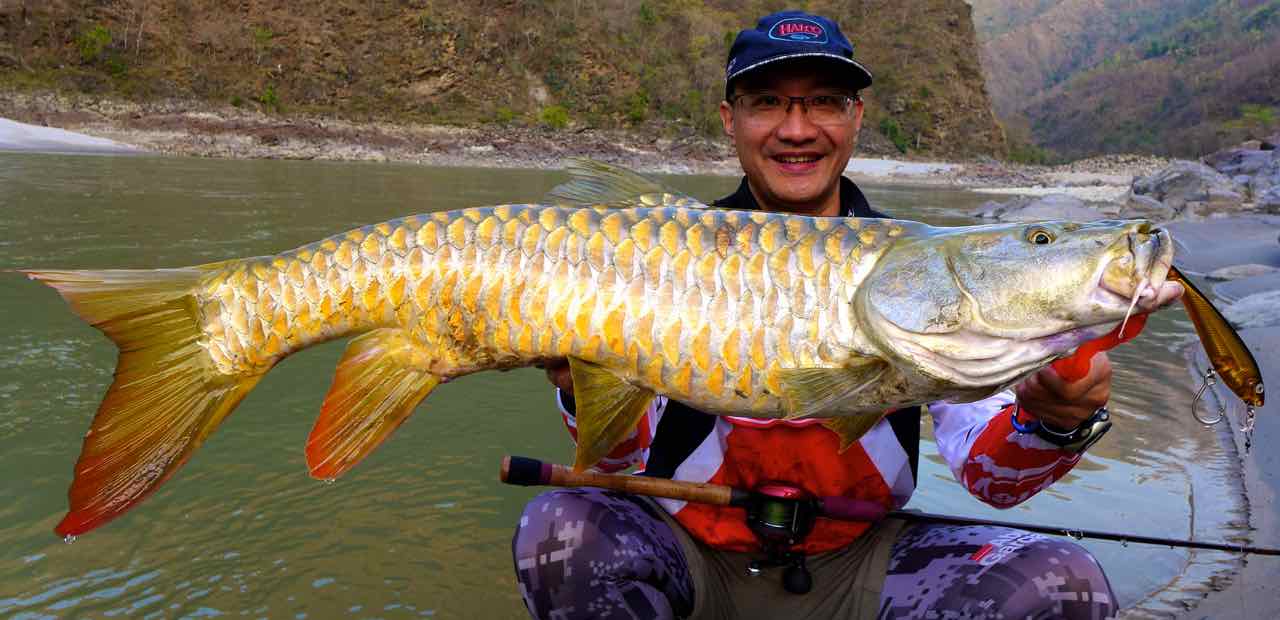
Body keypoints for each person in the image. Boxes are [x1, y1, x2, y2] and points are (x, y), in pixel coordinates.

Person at [512, 10, 1182, 619]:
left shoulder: (921, 272)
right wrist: (577, 382)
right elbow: (623, 464)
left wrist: (1055, 422)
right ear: (729, 118)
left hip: (861, 565)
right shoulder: (660, 252)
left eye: (824, 103)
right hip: (691, 553)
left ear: (857, 118)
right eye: (767, 102)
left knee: (1063, 583)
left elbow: (988, 476)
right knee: (562, 530)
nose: (797, 129)